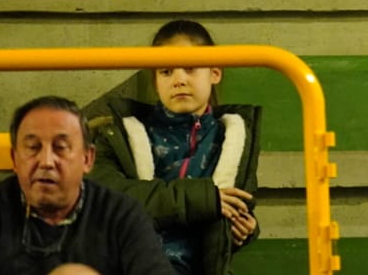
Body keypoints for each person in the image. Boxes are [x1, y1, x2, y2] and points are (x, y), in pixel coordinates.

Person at [86, 21, 261, 275]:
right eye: (166, 71)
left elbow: (240, 206)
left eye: (190, 68)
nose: (179, 80)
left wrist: (245, 229)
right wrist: (203, 199)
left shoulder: (234, 139)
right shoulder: (120, 133)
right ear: (155, 82)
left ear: (215, 72)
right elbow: (108, 198)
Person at [0, 96, 168, 274]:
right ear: (15, 159)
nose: (46, 161)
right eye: (33, 148)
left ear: (87, 159)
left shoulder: (122, 215)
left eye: (60, 147)